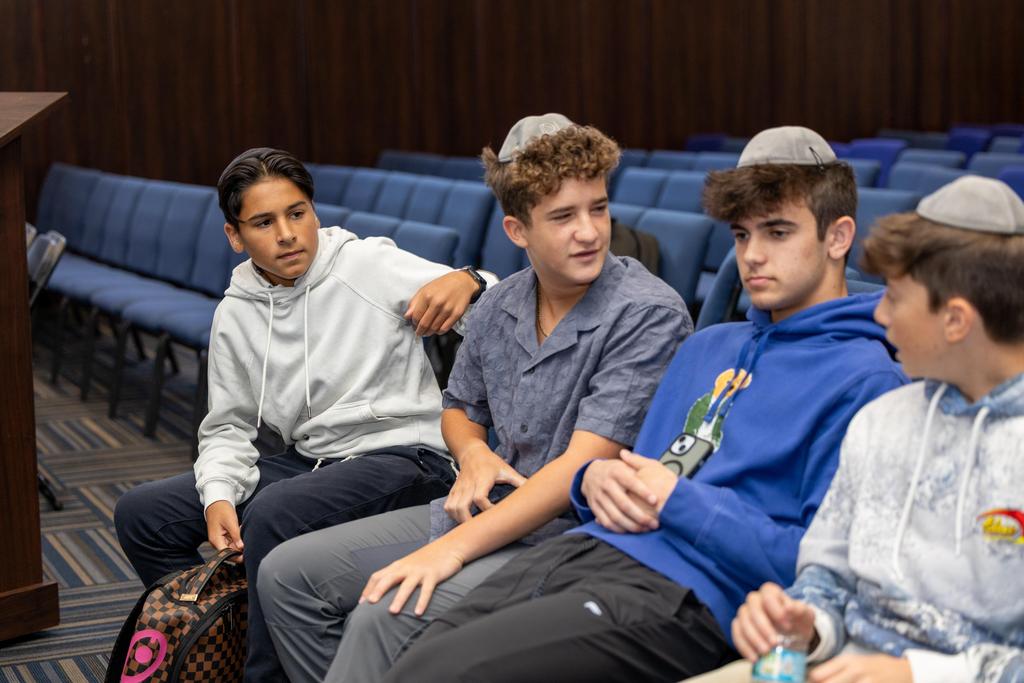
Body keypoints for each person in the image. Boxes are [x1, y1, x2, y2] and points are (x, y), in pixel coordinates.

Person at [380, 126, 908, 682]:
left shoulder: (868, 381)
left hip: (694, 594)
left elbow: (817, 569)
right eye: (741, 235)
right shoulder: (708, 347)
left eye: (777, 232)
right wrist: (594, 481)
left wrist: (678, 500)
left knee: (442, 671)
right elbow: (635, 480)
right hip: (590, 552)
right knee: (415, 656)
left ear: (838, 237)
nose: (752, 256)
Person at [257, 114, 692, 682]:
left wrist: (452, 549)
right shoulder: (500, 303)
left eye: (599, 209)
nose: (589, 232)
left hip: (573, 536)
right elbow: (460, 408)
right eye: (563, 216)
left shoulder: (646, 312)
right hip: (487, 511)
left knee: (384, 612)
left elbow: (580, 468)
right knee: (286, 575)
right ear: (517, 230)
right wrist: (474, 454)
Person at [113, 147, 496, 681]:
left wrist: (471, 280)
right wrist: (218, 494)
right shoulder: (236, 312)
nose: (288, 234)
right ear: (234, 236)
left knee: (274, 511)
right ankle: (229, 635)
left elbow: (499, 309)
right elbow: (227, 426)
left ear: (314, 212)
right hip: (312, 460)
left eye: (297, 214)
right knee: (143, 515)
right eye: (263, 223)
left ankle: (265, 672)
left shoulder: (366, 265)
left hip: (407, 457)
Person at [715, 176, 1024, 683]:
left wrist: (916, 674)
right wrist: (806, 625)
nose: (879, 313)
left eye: (895, 298)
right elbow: (826, 574)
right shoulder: (882, 420)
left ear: (956, 320)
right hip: (836, 666)